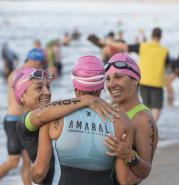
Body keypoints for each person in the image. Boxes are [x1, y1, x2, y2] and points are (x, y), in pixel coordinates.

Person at [18, 56, 130, 185]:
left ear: (75, 84)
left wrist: (29, 174)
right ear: (102, 84)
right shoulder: (121, 120)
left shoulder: (52, 117)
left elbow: (39, 174)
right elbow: (124, 180)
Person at [104, 53, 158, 184]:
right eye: (108, 78)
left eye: (118, 77)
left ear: (135, 80)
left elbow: (145, 171)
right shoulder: (109, 107)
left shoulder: (143, 119)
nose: (111, 84)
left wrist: (128, 154)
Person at [0, 48, 45, 184]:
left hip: (24, 121)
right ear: (33, 60)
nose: (41, 66)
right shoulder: (20, 75)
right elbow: (27, 101)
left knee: (28, 162)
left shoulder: (28, 74)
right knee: (13, 161)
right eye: (39, 63)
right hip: (14, 121)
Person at [106, 27, 170, 121]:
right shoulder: (164, 50)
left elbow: (125, 46)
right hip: (157, 82)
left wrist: (110, 43)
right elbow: (167, 67)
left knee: (146, 106)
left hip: (143, 81)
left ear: (151, 36)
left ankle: (146, 124)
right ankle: (152, 125)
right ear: (160, 37)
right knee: (156, 108)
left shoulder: (142, 46)